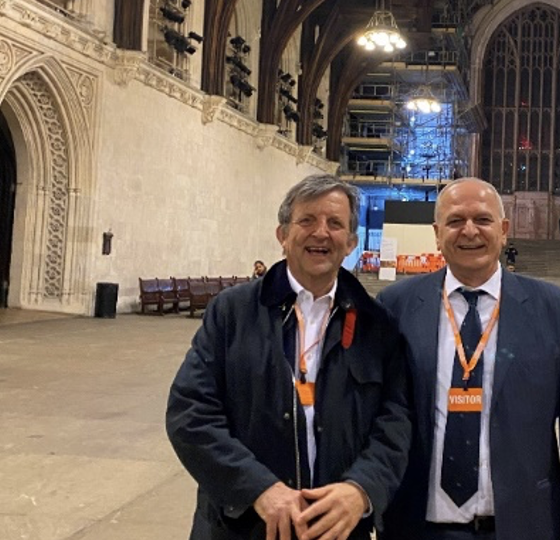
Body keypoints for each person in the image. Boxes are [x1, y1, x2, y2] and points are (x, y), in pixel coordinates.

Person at [166, 174, 410, 540]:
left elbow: (396, 420)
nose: (321, 233)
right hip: (243, 527)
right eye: (307, 220)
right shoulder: (232, 312)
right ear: (282, 235)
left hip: (338, 530)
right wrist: (257, 488)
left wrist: (361, 489)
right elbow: (190, 412)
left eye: (335, 223)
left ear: (351, 242)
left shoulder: (376, 324)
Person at [377, 177, 560, 540]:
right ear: (437, 233)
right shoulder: (396, 306)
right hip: (417, 528)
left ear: (503, 230)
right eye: (455, 221)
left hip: (521, 527)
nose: (469, 231)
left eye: (482, 219)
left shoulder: (554, 310)